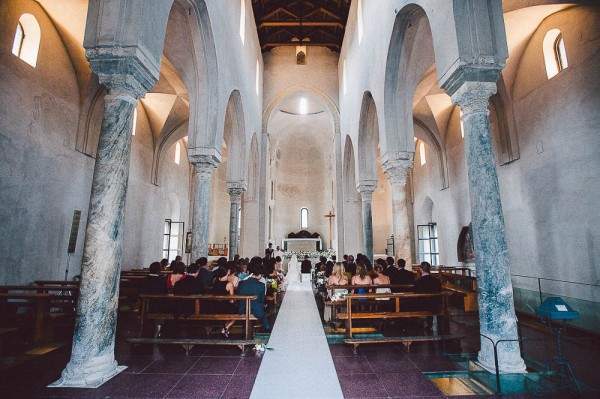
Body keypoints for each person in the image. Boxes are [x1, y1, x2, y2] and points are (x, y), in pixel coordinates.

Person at [237, 264, 270, 331]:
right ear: (260, 275)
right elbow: (262, 299)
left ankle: (266, 326)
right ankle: (267, 327)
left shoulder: (241, 283)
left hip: (242, 308)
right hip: (256, 310)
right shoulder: (261, 285)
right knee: (263, 308)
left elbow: (238, 296)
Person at [413, 261, 442, 331]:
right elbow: (439, 292)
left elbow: (415, 294)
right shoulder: (436, 281)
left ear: (421, 270)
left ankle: (419, 325)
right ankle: (430, 325)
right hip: (434, 305)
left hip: (422, 305)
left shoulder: (418, 282)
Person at [212, 267, 237, 337]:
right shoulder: (229, 284)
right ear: (227, 272)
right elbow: (232, 300)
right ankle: (226, 328)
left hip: (215, 305)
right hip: (225, 306)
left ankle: (225, 329)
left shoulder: (215, 281)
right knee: (237, 314)